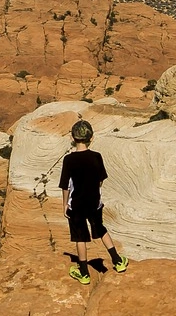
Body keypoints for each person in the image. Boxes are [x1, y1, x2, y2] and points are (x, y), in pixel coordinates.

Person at [59, 119, 128, 285]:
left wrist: (64, 204)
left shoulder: (69, 160)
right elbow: (100, 180)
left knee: (80, 236)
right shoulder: (97, 157)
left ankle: (83, 272)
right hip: (94, 202)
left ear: (72, 137)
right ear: (92, 138)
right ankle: (118, 261)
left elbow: (65, 185)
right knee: (100, 229)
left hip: (76, 204)